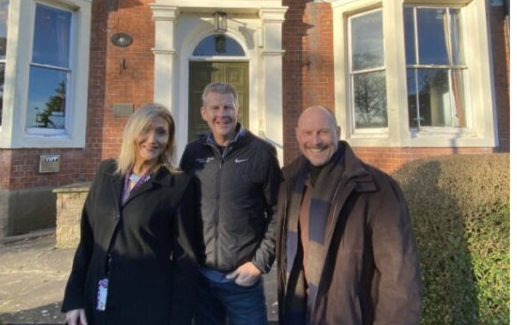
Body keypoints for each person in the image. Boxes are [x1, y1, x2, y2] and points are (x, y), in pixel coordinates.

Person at [276, 105, 422, 325]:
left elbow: (400, 276)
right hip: (298, 314)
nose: (315, 141)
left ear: (338, 132)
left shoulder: (376, 189)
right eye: (307, 133)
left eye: (323, 132)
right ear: (297, 135)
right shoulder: (289, 183)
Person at [62, 103, 198, 325]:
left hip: (146, 305)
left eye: (161, 132)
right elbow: (87, 241)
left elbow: (186, 257)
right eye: (145, 129)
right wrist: (74, 298)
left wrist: (179, 318)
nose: (152, 139)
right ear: (132, 131)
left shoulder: (178, 184)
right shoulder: (106, 172)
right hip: (96, 297)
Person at [180, 82, 283, 325]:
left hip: (243, 281)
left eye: (228, 107)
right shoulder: (193, 153)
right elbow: (182, 209)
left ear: (238, 110)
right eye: (214, 108)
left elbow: (279, 210)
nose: (221, 114)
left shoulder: (261, 152)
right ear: (204, 113)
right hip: (201, 280)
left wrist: (259, 263)